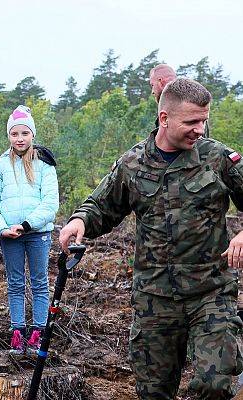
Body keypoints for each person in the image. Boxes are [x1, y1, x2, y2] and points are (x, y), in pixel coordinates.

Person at [59, 78, 243, 399]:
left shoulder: (218, 160)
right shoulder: (132, 164)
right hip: (154, 299)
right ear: (164, 119)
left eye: (204, 120)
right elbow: (102, 206)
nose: (200, 129)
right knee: (153, 392)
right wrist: (79, 221)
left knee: (215, 384)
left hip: (210, 293)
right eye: (191, 121)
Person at [0, 105, 58, 354]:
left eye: (24, 133)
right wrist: (1, 229)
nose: (19, 139)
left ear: (32, 135)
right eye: (15, 134)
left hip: (37, 234)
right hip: (10, 237)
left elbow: (50, 203)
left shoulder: (44, 163)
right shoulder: (0, 166)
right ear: (9, 136)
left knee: (40, 283)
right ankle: (17, 332)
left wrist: (27, 224)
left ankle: (38, 333)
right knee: (15, 283)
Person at [150, 64, 209, 138]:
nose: (152, 91)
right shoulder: (191, 103)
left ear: (160, 81)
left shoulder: (191, 105)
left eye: (152, 85)